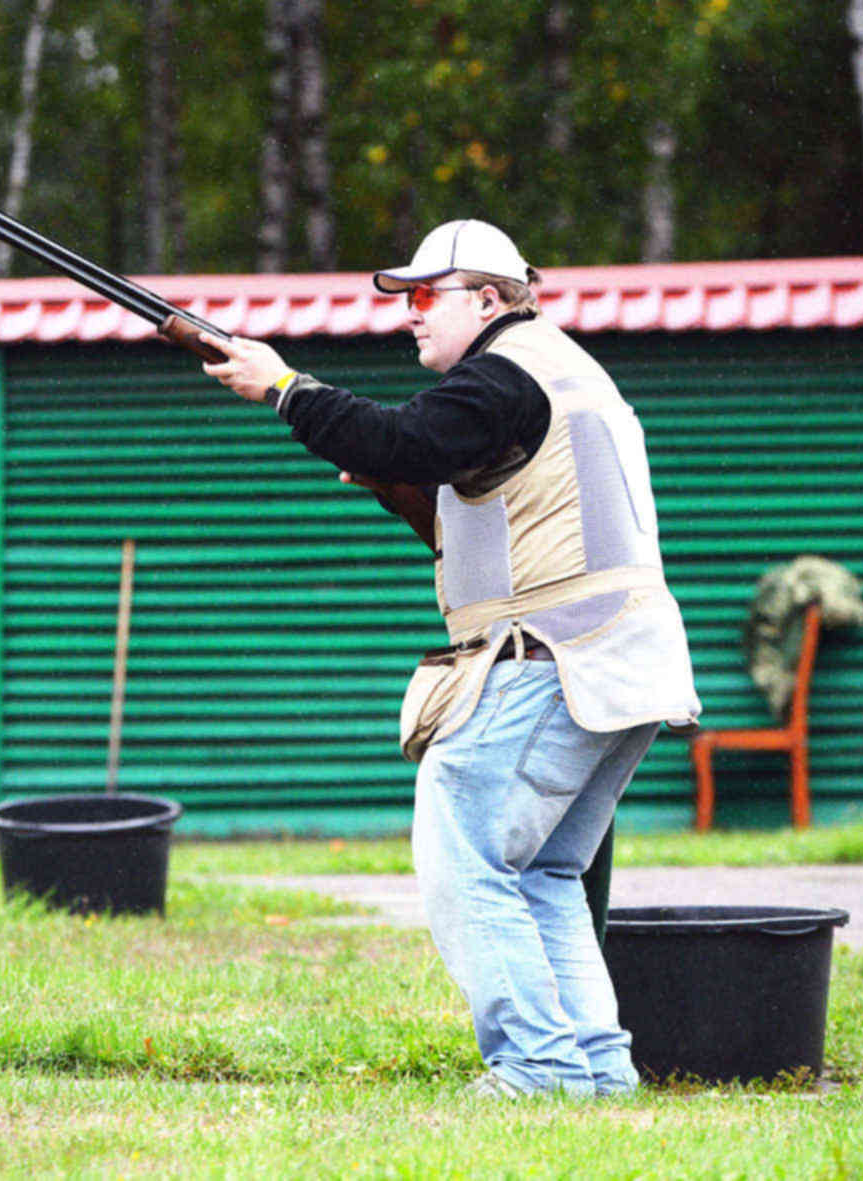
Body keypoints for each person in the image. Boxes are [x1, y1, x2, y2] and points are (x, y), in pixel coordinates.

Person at [202, 219, 700, 1099]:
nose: (411, 315)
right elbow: (486, 510)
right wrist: (403, 491)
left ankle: (537, 1067)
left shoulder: (503, 374)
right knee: (542, 870)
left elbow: (398, 439)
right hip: (617, 659)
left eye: (427, 296)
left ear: (488, 298)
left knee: (462, 849)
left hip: (557, 656)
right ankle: (593, 1068)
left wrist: (280, 386)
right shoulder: (556, 370)